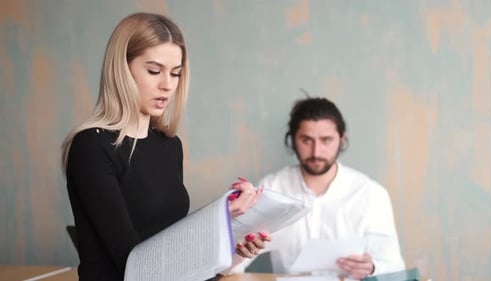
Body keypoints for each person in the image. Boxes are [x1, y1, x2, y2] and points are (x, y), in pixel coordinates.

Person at [61, 12, 269, 281]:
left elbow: (174, 264)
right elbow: (135, 265)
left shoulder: (169, 145)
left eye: (175, 73)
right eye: (154, 71)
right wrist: (218, 217)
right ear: (121, 69)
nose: (167, 85)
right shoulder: (91, 146)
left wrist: (231, 255)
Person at [233, 97, 405, 279]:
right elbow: (233, 264)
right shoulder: (271, 188)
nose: (316, 152)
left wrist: (371, 268)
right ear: (292, 139)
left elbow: (394, 266)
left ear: (341, 138)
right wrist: (236, 240)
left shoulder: (371, 194)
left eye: (326, 140)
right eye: (306, 140)